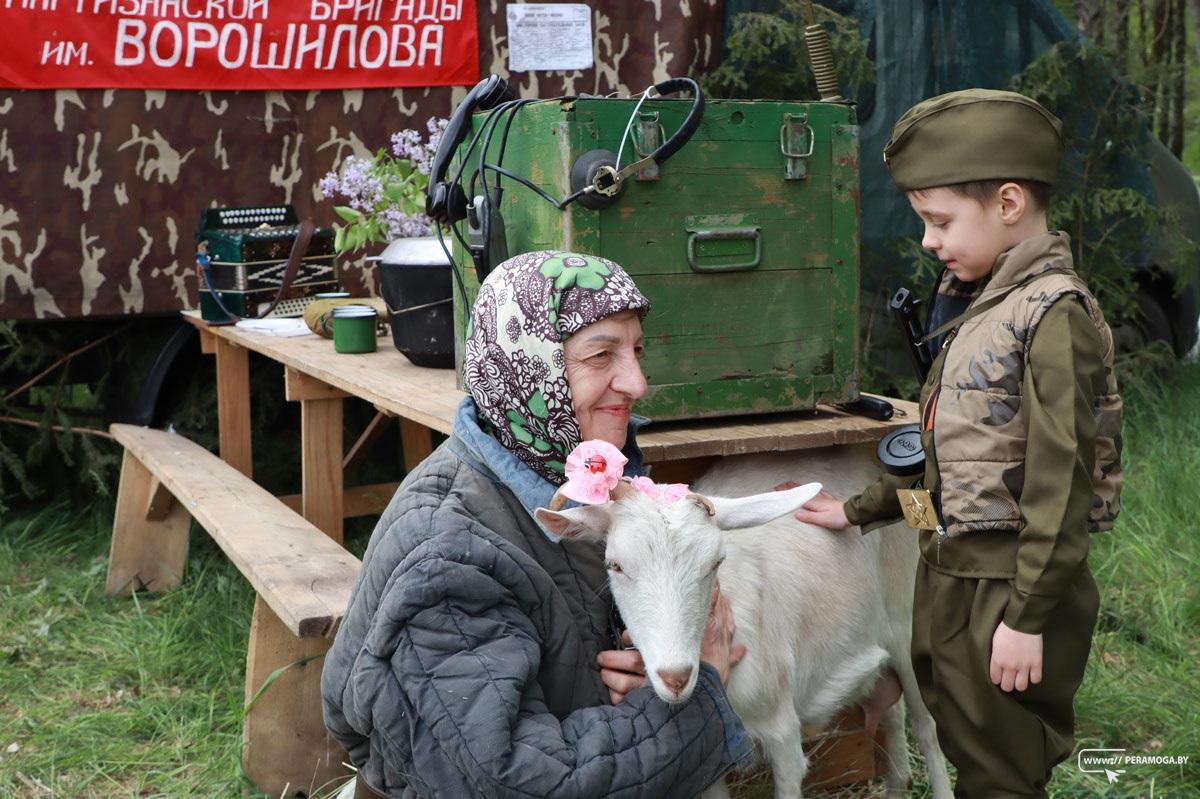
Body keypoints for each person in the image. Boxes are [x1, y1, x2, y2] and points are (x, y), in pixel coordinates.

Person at [322, 250, 751, 798]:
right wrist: (700, 692)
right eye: (601, 356)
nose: (638, 382)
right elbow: (526, 783)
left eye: (637, 350)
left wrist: (644, 669)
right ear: (529, 370)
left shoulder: (567, 481)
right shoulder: (450, 555)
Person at [797, 89, 1123, 797]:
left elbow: (1058, 478)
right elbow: (946, 461)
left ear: (1009, 204)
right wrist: (860, 511)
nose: (928, 241)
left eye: (940, 221)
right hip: (947, 571)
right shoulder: (979, 305)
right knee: (967, 739)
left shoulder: (1050, 314)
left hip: (1004, 588)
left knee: (1002, 767)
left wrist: (1026, 619)